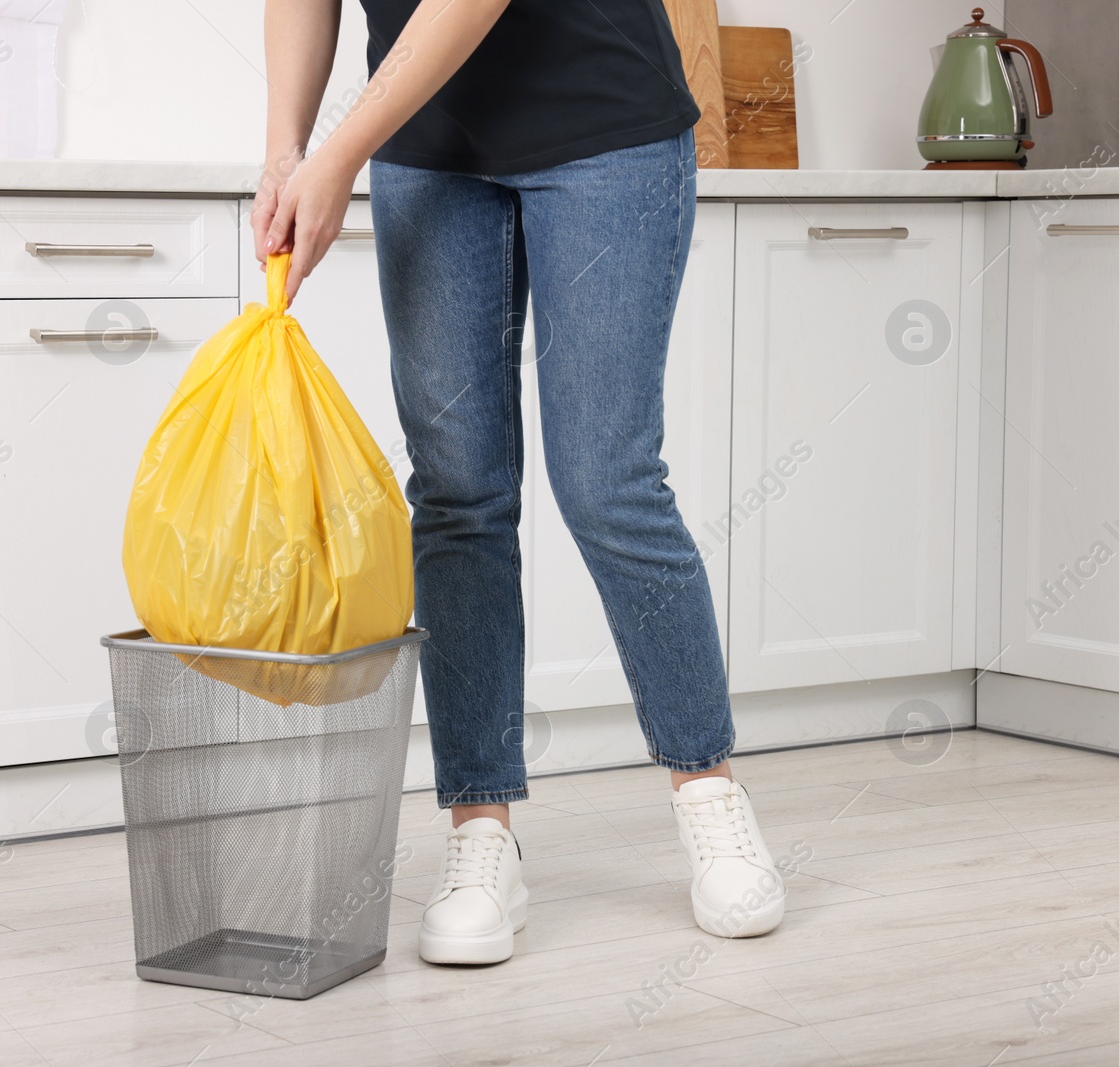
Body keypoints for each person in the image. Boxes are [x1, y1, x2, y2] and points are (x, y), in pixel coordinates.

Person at [252, 0, 786, 964]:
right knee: (458, 496)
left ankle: (709, 794)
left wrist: (337, 153)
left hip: (604, 127)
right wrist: (285, 148)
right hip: (424, 145)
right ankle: (480, 834)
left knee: (608, 480)